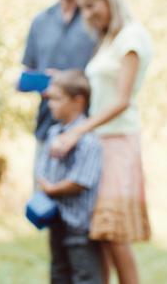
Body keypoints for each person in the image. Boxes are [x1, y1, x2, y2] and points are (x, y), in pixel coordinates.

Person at [50, 0, 154, 284]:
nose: (88, 14)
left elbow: (121, 100)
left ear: (110, 0)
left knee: (114, 232)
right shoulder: (108, 38)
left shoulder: (132, 37)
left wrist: (76, 132)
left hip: (118, 141)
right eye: (83, 8)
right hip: (100, 142)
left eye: (92, 5)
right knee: (100, 233)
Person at [21, 0, 96, 182]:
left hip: (87, 134)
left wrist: (65, 81)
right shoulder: (40, 22)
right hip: (46, 127)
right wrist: (35, 82)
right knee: (40, 206)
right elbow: (28, 69)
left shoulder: (95, 19)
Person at [36, 69, 103, 284]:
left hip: (79, 224)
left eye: (56, 99)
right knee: (58, 272)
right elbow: (42, 169)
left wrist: (51, 189)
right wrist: (42, 183)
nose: (50, 104)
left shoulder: (88, 140)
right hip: (56, 218)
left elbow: (82, 180)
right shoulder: (53, 133)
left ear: (78, 101)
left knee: (84, 275)